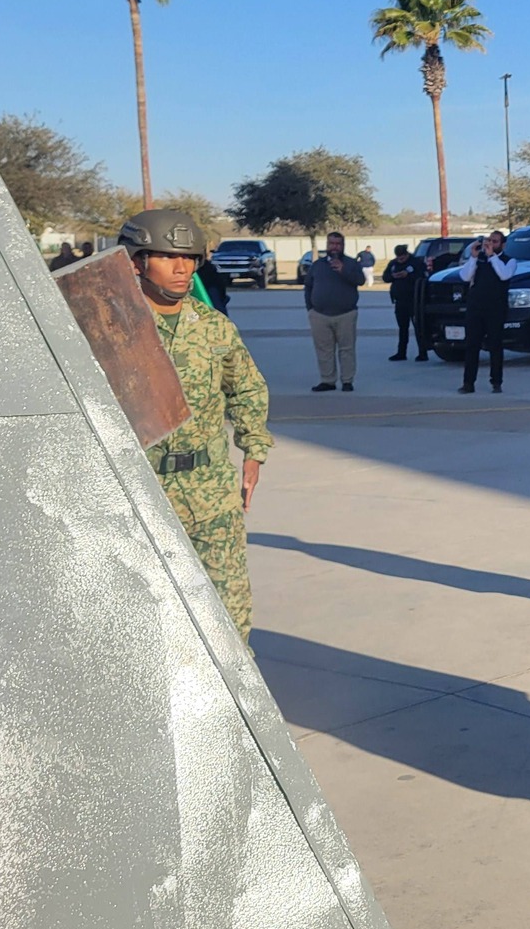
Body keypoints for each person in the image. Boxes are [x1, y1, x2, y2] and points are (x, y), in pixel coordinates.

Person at [119, 210, 272, 643]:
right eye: (167, 258)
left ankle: (234, 706)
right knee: (148, 620)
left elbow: (247, 389)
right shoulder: (111, 331)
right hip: (141, 495)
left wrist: (254, 452)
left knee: (230, 617)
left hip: (211, 492)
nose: (182, 268)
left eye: (189, 258)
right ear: (135, 261)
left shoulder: (213, 328)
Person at [303, 230, 365, 391]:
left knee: (347, 349)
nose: (335, 247)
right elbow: (308, 286)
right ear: (327, 245)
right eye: (332, 243)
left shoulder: (351, 264)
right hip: (319, 315)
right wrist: (310, 309)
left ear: (343, 245)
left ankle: (347, 381)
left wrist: (343, 270)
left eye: (338, 244)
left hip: (346, 314)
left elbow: (360, 281)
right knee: (324, 350)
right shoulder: (318, 265)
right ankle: (327, 381)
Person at [456, 230, 515, 392]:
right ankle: (468, 383)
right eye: (489, 240)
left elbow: (504, 275)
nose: (491, 244)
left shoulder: (508, 261)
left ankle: (496, 382)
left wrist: (492, 257)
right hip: (476, 308)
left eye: (495, 241)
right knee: (472, 345)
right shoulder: (478, 259)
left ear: (503, 244)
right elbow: (465, 277)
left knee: (495, 346)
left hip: (496, 309)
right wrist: (473, 257)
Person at [382, 244, 428, 361]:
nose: (400, 260)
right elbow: (385, 277)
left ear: (407, 254)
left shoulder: (416, 262)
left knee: (419, 328)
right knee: (403, 328)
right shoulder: (393, 264)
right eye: (398, 258)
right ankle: (401, 352)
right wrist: (393, 276)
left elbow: (423, 276)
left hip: (414, 300)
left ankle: (423, 352)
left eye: (402, 258)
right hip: (400, 300)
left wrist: (409, 275)